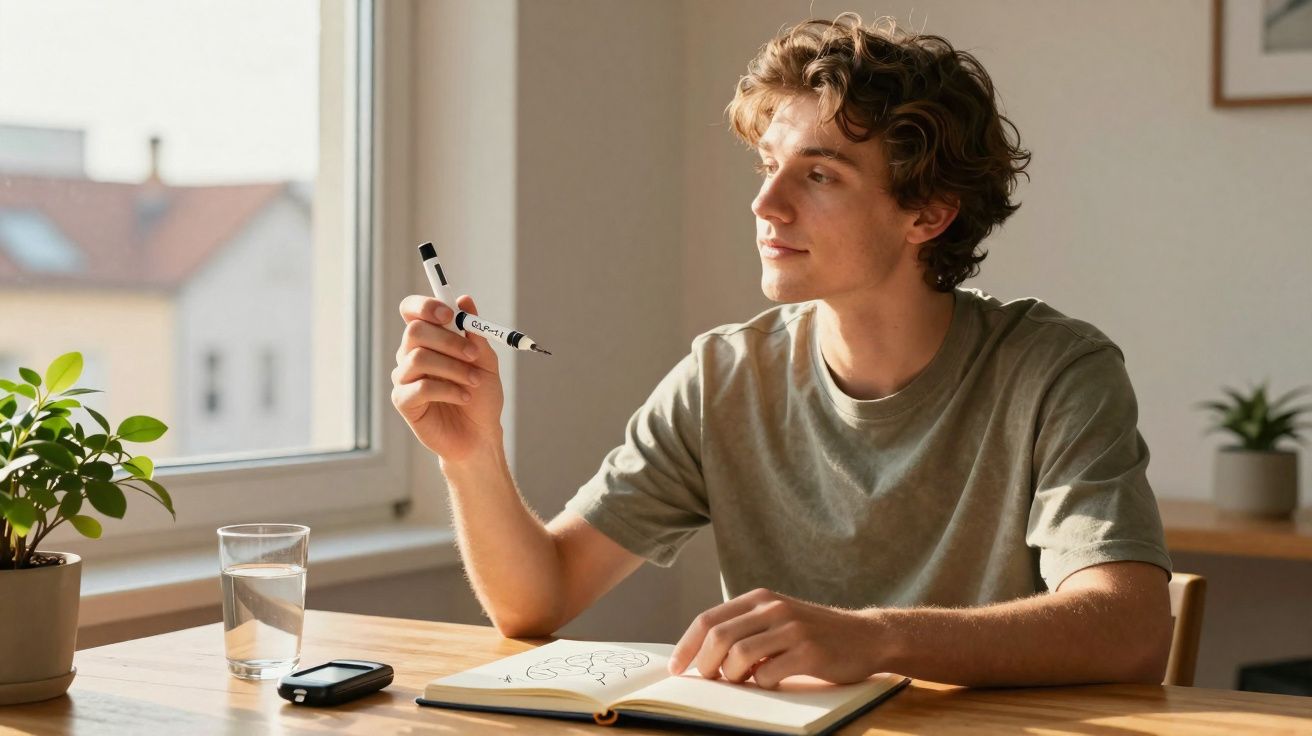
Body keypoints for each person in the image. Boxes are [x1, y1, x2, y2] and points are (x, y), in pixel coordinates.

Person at [391, 14, 1173, 690]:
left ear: (928, 213)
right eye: (769, 167)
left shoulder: (1057, 372)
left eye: (821, 174)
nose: (766, 204)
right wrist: (471, 452)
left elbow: (1130, 629)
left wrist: (874, 638)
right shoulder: (724, 376)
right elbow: (539, 599)